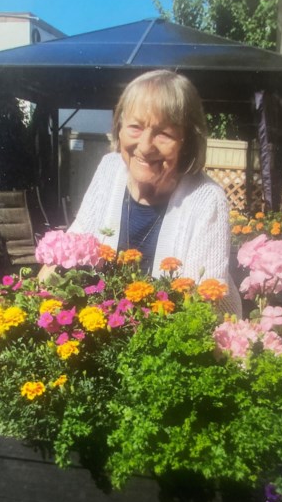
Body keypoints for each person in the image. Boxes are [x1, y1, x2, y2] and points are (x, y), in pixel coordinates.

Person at [68, 69, 242, 316]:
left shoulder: (206, 199)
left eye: (164, 134)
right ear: (119, 127)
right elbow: (74, 241)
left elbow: (203, 307)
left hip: (175, 329)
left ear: (187, 142)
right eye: (135, 127)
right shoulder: (110, 168)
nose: (145, 146)